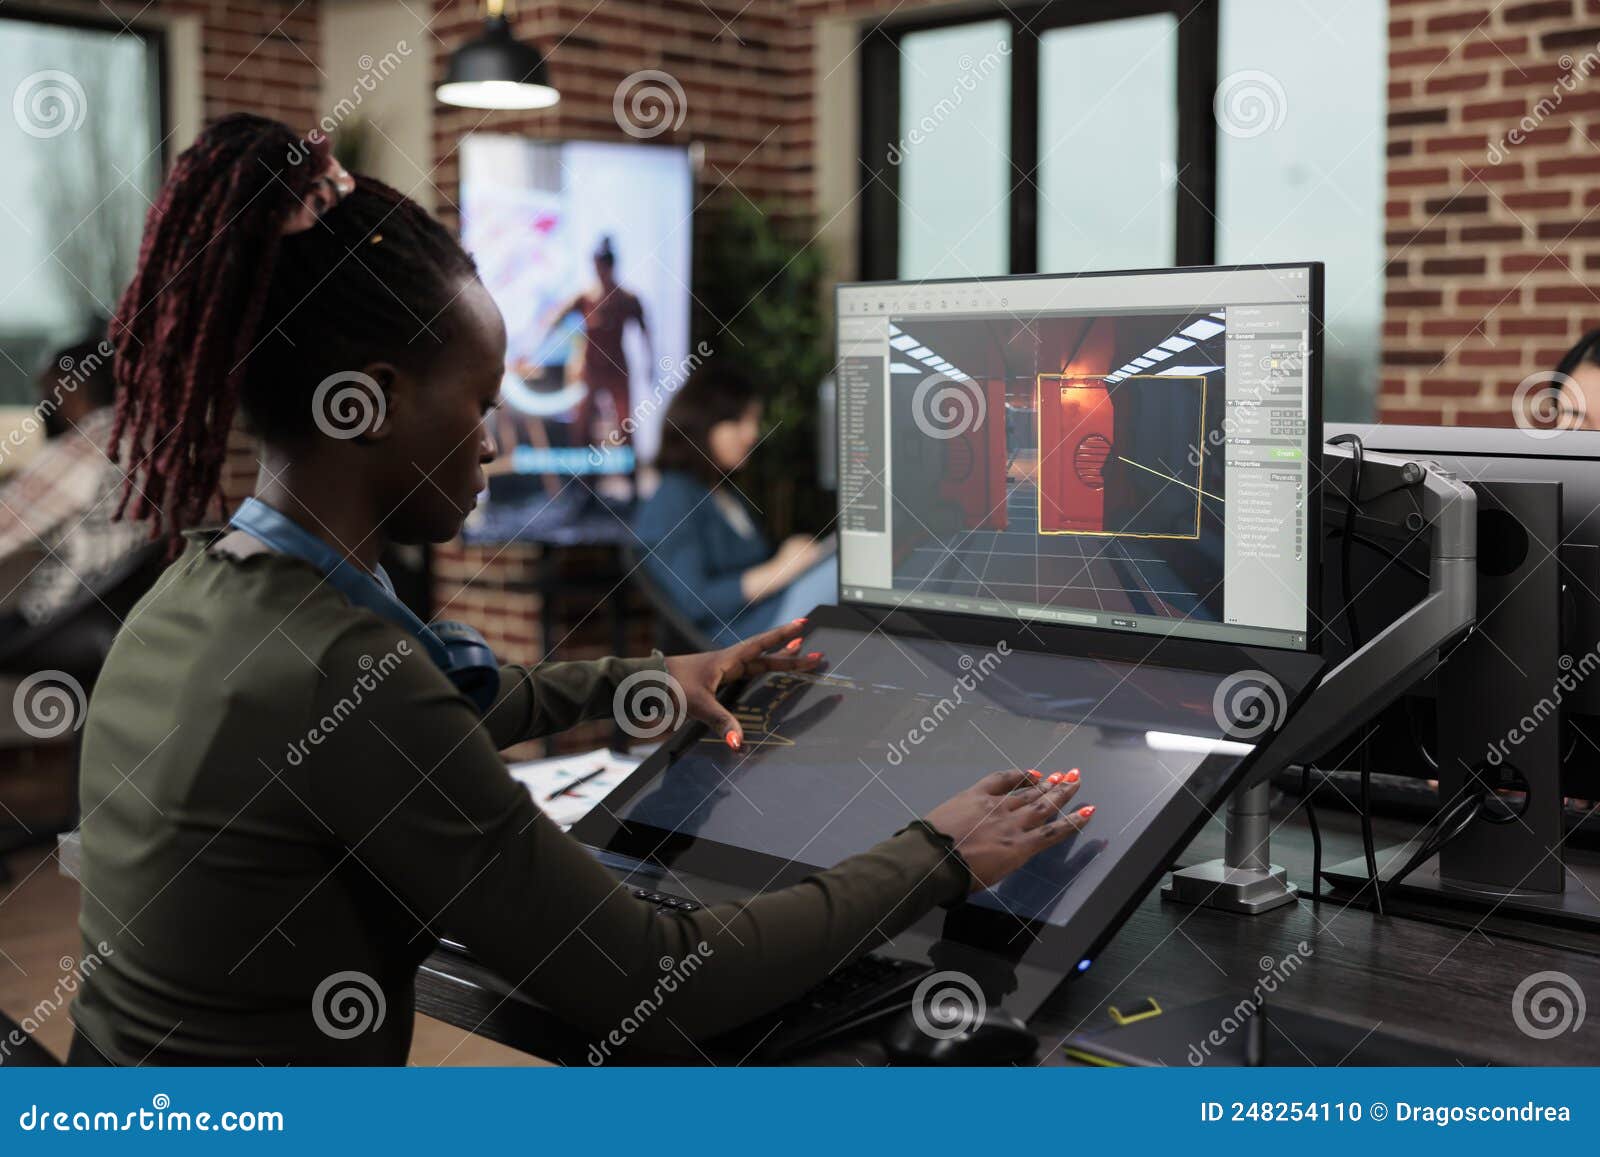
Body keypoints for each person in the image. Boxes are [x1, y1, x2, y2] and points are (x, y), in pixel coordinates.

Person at [67, 114, 1095, 1066]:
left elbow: (441, 699)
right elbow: (654, 978)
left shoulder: (203, 587)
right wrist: (936, 852)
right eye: (479, 403)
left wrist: (646, 679)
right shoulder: (341, 669)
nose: (491, 443)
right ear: (369, 403)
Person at [635, 372, 836, 646]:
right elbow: (695, 601)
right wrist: (780, 569)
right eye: (740, 421)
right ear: (702, 424)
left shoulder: (722, 492)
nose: (752, 434)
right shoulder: (672, 498)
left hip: (770, 613)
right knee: (846, 575)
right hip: (741, 636)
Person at [0, 326, 147, 630]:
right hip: (118, 610)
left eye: (47, 390)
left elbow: (6, 525)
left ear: (72, 387)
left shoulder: (83, 448)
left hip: (56, 620)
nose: (43, 404)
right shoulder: (138, 440)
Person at [543, 236, 652, 445]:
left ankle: (629, 463)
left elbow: (645, 331)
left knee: (625, 421)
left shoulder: (627, 299)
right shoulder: (585, 297)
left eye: (604, 265)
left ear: (611, 266)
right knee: (582, 421)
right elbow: (555, 319)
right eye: (598, 265)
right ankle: (582, 464)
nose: (601, 271)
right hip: (590, 366)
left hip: (616, 366)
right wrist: (535, 350)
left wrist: (650, 362)